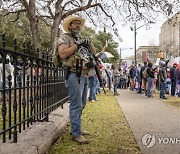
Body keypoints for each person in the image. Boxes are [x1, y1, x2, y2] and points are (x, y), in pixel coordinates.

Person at [57, 15, 96, 144]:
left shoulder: (81, 39)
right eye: (75, 23)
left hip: (85, 74)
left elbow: (93, 54)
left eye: (79, 24)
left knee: (83, 103)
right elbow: (63, 53)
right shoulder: (65, 38)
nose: (77, 26)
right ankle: (76, 133)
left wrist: (88, 43)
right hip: (73, 74)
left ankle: (76, 128)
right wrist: (77, 45)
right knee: (76, 104)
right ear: (70, 26)